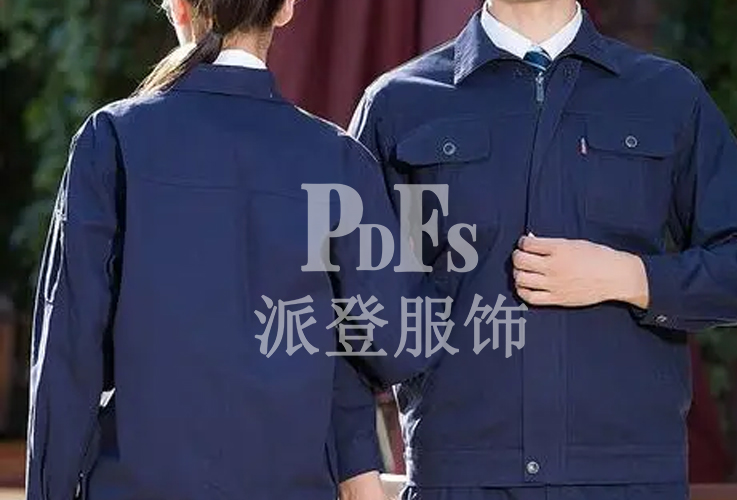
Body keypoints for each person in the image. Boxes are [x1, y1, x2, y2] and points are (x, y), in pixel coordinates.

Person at [349, 0, 737, 499]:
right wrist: (356, 473)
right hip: (461, 477)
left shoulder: (666, 95)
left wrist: (631, 278)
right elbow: (344, 305)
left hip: (627, 480)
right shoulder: (399, 103)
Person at [25, 1, 436, 499]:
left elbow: (68, 357)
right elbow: (398, 345)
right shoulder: (338, 159)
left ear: (178, 8)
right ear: (285, 9)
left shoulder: (112, 140)